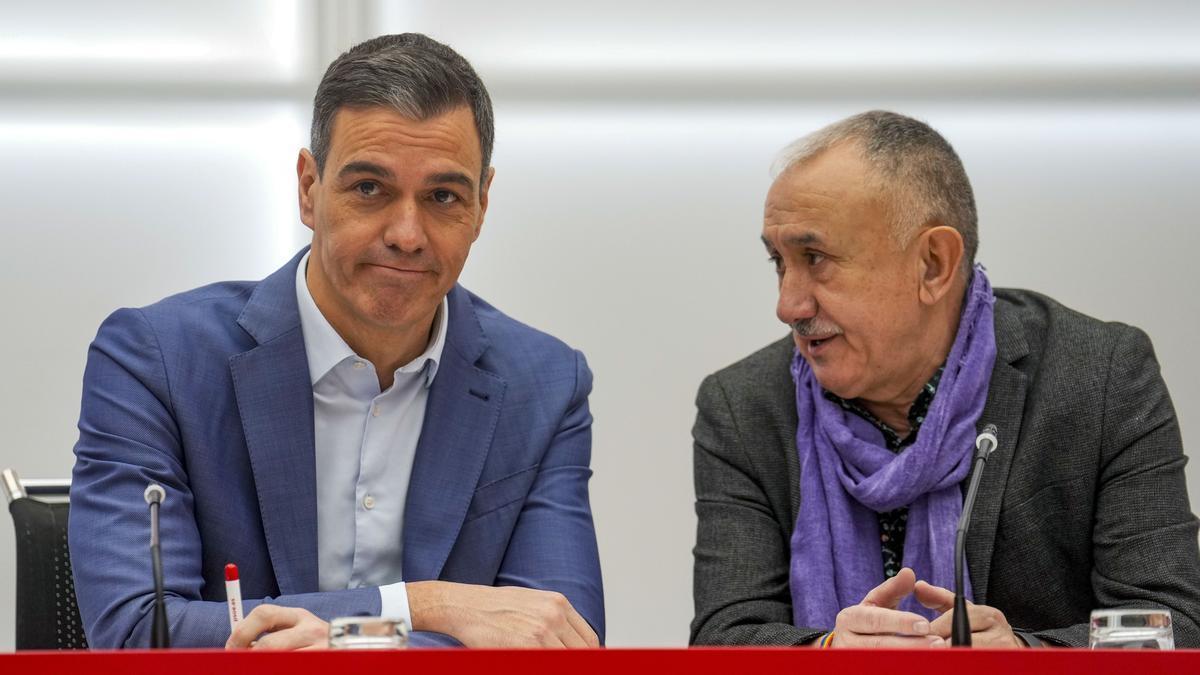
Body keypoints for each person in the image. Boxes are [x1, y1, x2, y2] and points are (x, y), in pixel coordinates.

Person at [69, 33, 603, 650]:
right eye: (370, 188)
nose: (407, 234)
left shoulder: (544, 383)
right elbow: (141, 634)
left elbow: (559, 640)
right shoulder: (156, 361)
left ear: (481, 205)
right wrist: (419, 605)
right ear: (309, 187)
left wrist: (340, 639)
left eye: (443, 197)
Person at [690, 110, 1200, 648]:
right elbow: (727, 635)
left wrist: (1030, 658)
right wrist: (825, 654)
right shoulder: (744, 407)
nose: (788, 304)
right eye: (779, 262)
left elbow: (1171, 625)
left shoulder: (1099, 376)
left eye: (815, 258)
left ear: (933, 264)